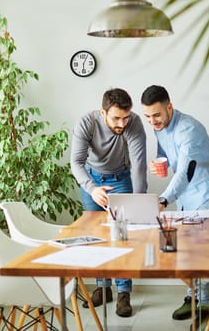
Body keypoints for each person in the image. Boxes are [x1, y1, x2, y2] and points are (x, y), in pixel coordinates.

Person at [140, 85, 209, 329]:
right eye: (147, 117)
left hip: (207, 190)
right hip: (186, 195)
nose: (153, 121)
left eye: (156, 115)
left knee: (201, 249)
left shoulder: (189, 129)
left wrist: (163, 199)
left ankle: (204, 303)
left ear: (169, 106)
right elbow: (168, 158)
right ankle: (193, 296)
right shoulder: (159, 128)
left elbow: (186, 171)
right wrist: (160, 165)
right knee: (182, 248)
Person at [70, 87, 147, 317]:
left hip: (121, 178)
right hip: (92, 180)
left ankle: (123, 291)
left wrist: (139, 201)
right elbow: (76, 162)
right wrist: (92, 189)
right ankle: (103, 287)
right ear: (103, 113)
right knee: (97, 236)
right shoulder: (87, 123)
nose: (122, 124)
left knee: (121, 236)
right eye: (116, 118)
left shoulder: (133, 123)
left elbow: (139, 164)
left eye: (125, 117)